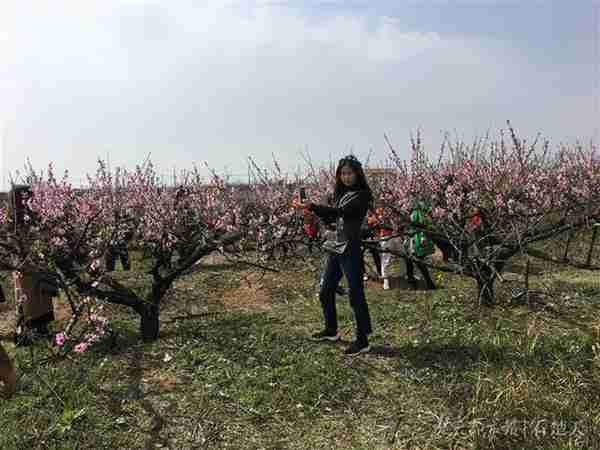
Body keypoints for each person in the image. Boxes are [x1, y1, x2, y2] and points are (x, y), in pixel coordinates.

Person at [292, 154, 374, 356]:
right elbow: (333, 216)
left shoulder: (362, 195)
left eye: (349, 173)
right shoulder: (342, 193)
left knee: (355, 293)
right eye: (342, 173)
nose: (346, 177)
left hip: (351, 248)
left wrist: (312, 206)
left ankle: (362, 340)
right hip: (337, 247)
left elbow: (342, 212)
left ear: (357, 174)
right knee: (326, 288)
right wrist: (312, 213)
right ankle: (331, 329)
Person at [9, 185, 57, 346]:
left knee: (41, 299)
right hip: (25, 266)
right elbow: (13, 244)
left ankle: (41, 330)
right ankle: (24, 335)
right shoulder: (13, 221)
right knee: (28, 300)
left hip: (37, 263)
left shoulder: (33, 216)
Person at [406, 200, 437, 290]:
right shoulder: (419, 212)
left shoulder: (417, 212)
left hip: (417, 239)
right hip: (415, 238)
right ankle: (412, 280)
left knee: (417, 260)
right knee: (410, 260)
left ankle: (427, 282)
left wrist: (422, 236)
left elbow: (422, 225)